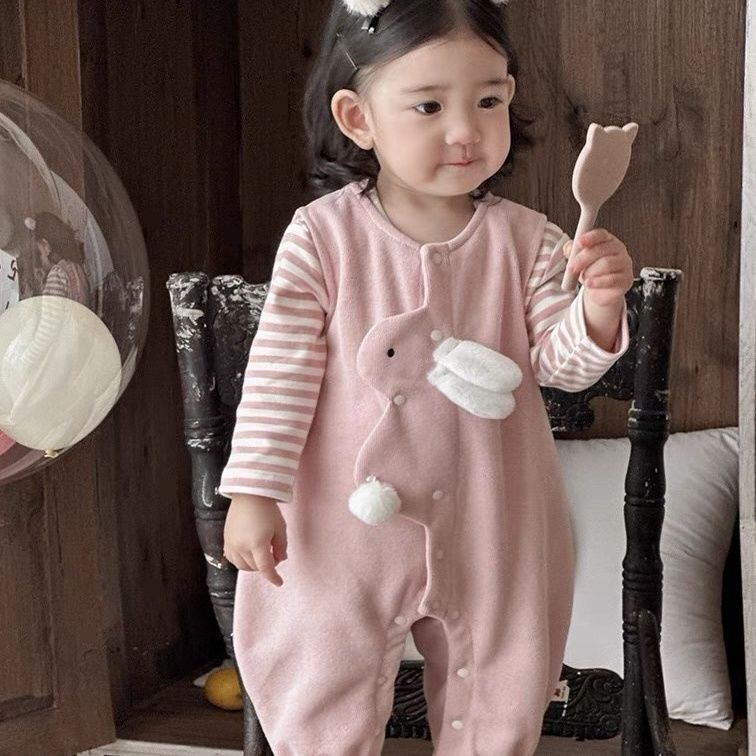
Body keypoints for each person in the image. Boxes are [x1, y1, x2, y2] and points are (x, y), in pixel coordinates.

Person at [219, 1, 633, 754]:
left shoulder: (530, 242)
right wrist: (254, 492)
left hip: (492, 518)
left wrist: (600, 307)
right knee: (324, 678)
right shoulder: (323, 237)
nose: (466, 129)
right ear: (359, 118)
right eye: (429, 106)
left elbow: (562, 366)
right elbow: (280, 372)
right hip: (343, 526)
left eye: (488, 101)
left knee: (499, 684)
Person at [29, 212, 91, 308]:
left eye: (40, 253)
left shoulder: (56, 274)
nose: (40, 259)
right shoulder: (76, 268)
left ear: (46, 246)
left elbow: (50, 316)